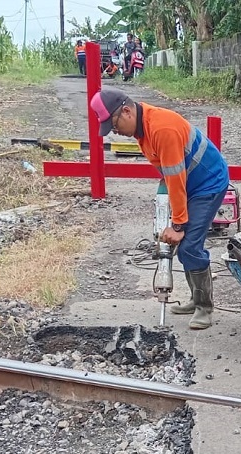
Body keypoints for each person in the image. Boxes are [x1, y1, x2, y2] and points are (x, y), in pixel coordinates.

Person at [90, 87, 230, 329]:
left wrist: (178, 224)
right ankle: (195, 299)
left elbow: (175, 177)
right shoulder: (143, 128)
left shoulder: (161, 128)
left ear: (126, 111)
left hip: (208, 183)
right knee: (185, 245)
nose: (115, 132)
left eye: (114, 125)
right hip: (190, 183)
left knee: (189, 246)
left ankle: (204, 307)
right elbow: (169, 173)